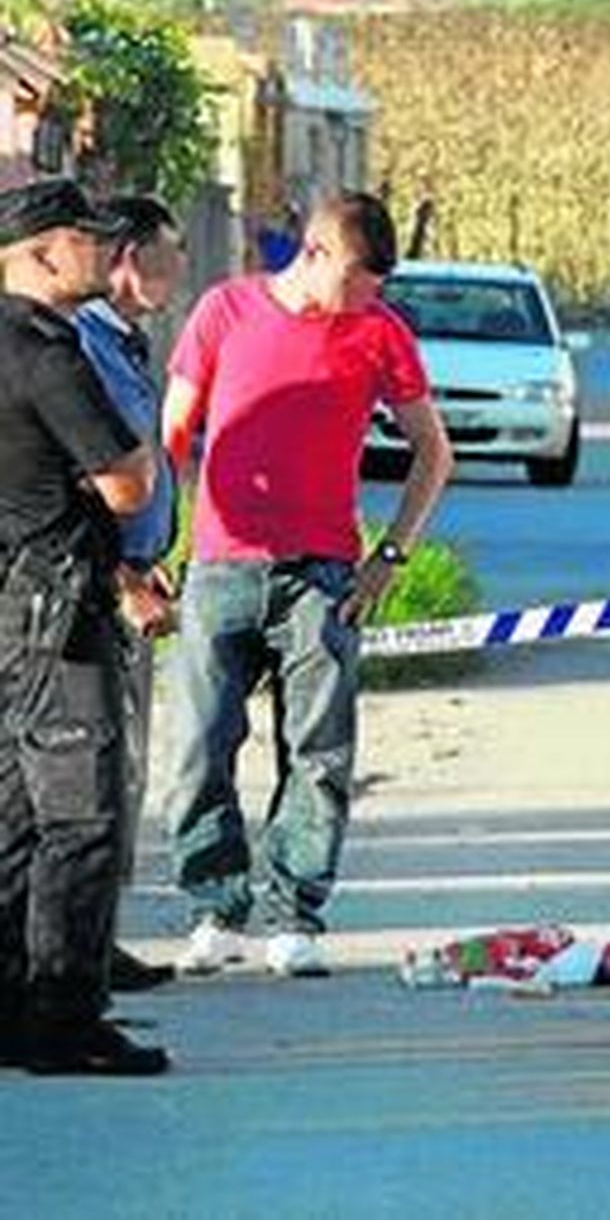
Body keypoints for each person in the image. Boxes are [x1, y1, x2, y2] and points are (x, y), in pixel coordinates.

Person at [162, 190, 452, 978]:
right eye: (362, 277)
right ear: (317, 253)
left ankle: (295, 914)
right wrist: (151, 548)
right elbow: (171, 439)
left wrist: (389, 557)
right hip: (221, 565)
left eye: (382, 283)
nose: (373, 295)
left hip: (323, 575)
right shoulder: (224, 314)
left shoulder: (381, 334)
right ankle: (214, 909)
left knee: (319, 753)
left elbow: (434, 452)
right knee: (199, 746)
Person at [0, 178, 167, 1075]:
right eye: (90, 239)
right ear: (40, 252)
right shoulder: (43, 349)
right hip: (55, 616)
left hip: (15, 605)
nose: (108, 252)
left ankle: (13, 1007)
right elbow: (130, 480)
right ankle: (63, 1019)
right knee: (80, 817)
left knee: (18, 817)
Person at [74, 195, 187, 994]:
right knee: (94, 773)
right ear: (124, 260)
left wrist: (151, 555)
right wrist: (123, 578)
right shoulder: (79, 347)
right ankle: (73, 952)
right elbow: (80, 481)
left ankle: (94, 939)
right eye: (167, 254)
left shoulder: (124, 342)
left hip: (134, 573)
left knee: (124, 769)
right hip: (95, 590)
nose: (180, 271)